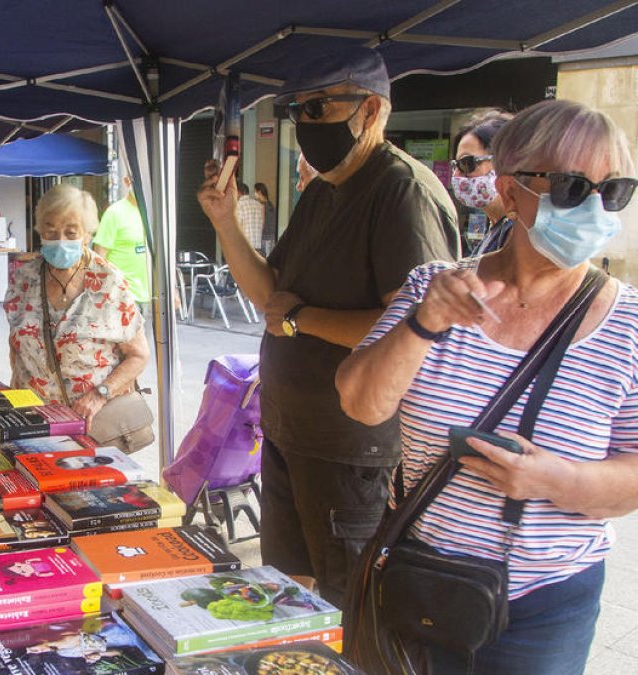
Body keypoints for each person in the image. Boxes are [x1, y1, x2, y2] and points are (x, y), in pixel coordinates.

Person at [335, 99, 638, 675]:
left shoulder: (630, 323)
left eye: (615, 190)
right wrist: (425, 322)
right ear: (513, 189)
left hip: (546, 603)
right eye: (574, 187)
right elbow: (360, 402)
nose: (596, 208)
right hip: (419, 579)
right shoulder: (436, 285)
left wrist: (554, 479)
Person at [196, 46, 459, 603]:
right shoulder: (322, 192)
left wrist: (301, 318)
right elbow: (271, 296)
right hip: (292, 434)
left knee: (348, 603)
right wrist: (224, 220)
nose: (304, 124)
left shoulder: (401, 192)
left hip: (352, 449)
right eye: (298, 111)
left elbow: (414, 331)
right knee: (289, 594)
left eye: (319, 109)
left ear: (372, 111)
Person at [6, 184, 149, 431]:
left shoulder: (108, 282)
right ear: (40, 230)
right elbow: (15, 348)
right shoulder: (24, 279)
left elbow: (138, 355)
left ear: (87, 234)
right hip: (34, 419)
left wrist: (99, 395)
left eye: (71, 233)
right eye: (50, 232)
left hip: (95, 423)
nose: (60, 241)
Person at [451, 109, 515, 256]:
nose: (457, 175)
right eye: (455, 165)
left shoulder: (518, 234)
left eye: (466, 163)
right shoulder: (496, 228)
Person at [92, 174, 151, 312]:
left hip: (151, 296)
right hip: (122, 298)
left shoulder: (154, 213)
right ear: (127, 181)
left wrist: (172, 289)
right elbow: (98, 259)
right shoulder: (114, 213)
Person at [235, 182, 265, 253]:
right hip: (257, 246)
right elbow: (262, 224)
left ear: (239, 192)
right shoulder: (258, 205)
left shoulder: (239, 205)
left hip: (244, 246)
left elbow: (237, 227)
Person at [254, 182, 277, 252]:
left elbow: (262, 222)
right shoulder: (271, 204)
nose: (254, 194)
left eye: (255, 191)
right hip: (272, 236)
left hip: (264, 237)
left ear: (259, 192)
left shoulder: (262, 205)